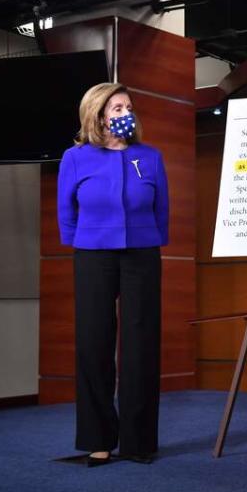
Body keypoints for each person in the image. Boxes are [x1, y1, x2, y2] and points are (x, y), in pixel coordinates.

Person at [57, 82, 169, 467]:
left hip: (141, 253)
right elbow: (66, 212)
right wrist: (84, 242)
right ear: (98, 115)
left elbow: (162, 210)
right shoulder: (75, 158)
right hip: (92, 255)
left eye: (128, 107)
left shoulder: (150, 156)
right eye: (117, 107)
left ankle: (139, 442)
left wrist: (150, 240)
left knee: (140, 345)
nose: (125, 113)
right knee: (94, 344)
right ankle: (97, 439)